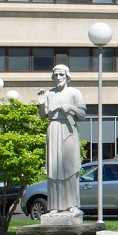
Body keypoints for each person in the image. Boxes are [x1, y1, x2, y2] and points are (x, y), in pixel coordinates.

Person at [38, 64, 87, 218]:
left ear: (67, 76)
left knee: (70, 167)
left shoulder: (74, 92)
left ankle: (72, 204)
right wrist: (41, 104)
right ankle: (54, 206)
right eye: (56, 75)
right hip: (53, 129)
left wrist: (70, 107)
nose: (58, 78)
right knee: (54, 168)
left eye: (61, 75)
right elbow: (43, 116)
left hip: (69, 128)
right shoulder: (49, 94)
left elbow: (83, 114)